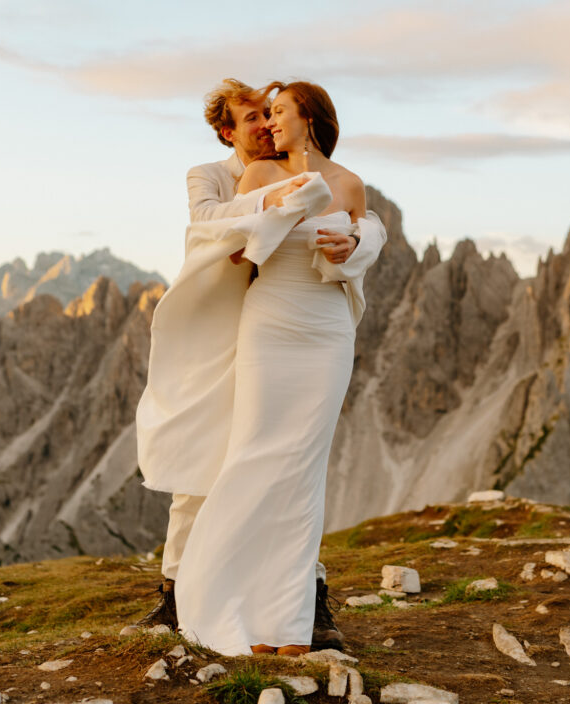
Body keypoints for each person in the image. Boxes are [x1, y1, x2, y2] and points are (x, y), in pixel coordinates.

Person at [137, 79, 386, 656]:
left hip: (325, 330)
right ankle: (198, 595)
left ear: (310, 119)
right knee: (245, 460)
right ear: (230, 131)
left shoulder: (349, 182)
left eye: (276, 114)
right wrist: (280, 205)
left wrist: (355, 243)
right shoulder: (241, 178)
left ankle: (291, 621)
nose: (267, 125)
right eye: (258, 117)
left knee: (302, 469)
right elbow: (223, 236)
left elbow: (366, 231)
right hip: (261, 324)